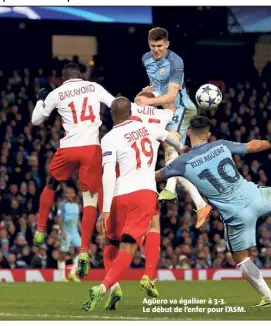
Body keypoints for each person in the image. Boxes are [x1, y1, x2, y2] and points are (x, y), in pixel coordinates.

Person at [155, 116, 271, 307]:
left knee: (241, 259)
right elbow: (252, 146)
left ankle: (270, 298)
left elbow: (157, 175)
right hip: (254, 195)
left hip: (235, 215)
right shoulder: (220, 145)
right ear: (209, 134)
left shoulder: (183, 162)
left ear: (188, 132)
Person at [82, 97, 184, 312]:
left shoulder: (109, 138)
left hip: (118, 194)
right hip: (144, 193)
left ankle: (114, 286)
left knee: (112, 243)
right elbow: (171, 138)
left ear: (111, 115)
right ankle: (106, 287)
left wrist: (106, 209)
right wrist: (181, 148)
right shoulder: (150, 127)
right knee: (132, 244)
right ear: (132, 112)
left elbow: (108, 172)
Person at [31, 62, 115, 279]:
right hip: (91, 148)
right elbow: (115, 105)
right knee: (90, 198)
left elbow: (35, 120)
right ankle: (84, 251)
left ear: (63, 78)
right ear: (80, 75)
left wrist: (41, 99)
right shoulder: (93, 87)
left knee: (51, 184)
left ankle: (40, 229)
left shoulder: (57, 93)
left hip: (68, 147)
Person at [135, 27, 211, 227]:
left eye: (160, 46)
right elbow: (157, 84)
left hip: (182, 108)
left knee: (172, 149)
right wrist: (147, 92)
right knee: (174, 155)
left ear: (167, 44)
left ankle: (169, 188)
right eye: (153, 46)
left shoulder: (176, 62)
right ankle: (201, 203)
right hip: (167, 111)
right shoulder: (146, 58)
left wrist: (147, 102)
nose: (156, 50)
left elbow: (171, 95)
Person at [55, 186, 81, 282]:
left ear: (74, 194)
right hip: (65, 232)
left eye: (72, 193)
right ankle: (62, 277)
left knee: (82, 251)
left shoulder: (76, 206)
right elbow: (59, 218)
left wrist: (82, 232)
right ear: (65, 194)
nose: (70, 195)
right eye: (68, 193)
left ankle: (72, 274)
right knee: (63, 253)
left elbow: (77, 220)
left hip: (74, 232)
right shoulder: (62, 205)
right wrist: (62, 232)